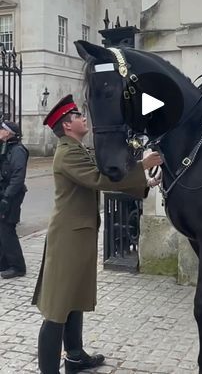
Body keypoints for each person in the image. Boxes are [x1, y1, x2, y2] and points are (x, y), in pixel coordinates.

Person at [32, 94, 162, 374]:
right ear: (67, 125)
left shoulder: (78, 149)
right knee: (57, 308)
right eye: (78, 115)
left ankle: (75, 356)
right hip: (68, 238)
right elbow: (99, 180)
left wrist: (145, 181)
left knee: (74, 298)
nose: (83, 118)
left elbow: (102, 179)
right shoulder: (68, 153)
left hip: (79, 235)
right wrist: (142, 165)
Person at [0, 120, 28, 278]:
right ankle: (4, 262)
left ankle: (17, 266)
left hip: (12, 195)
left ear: (8, 133)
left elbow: (18, 177)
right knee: (2, 228)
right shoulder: (6, 147)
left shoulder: (17, 150)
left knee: (7, 228)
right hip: (5, 193)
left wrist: (7, 198)